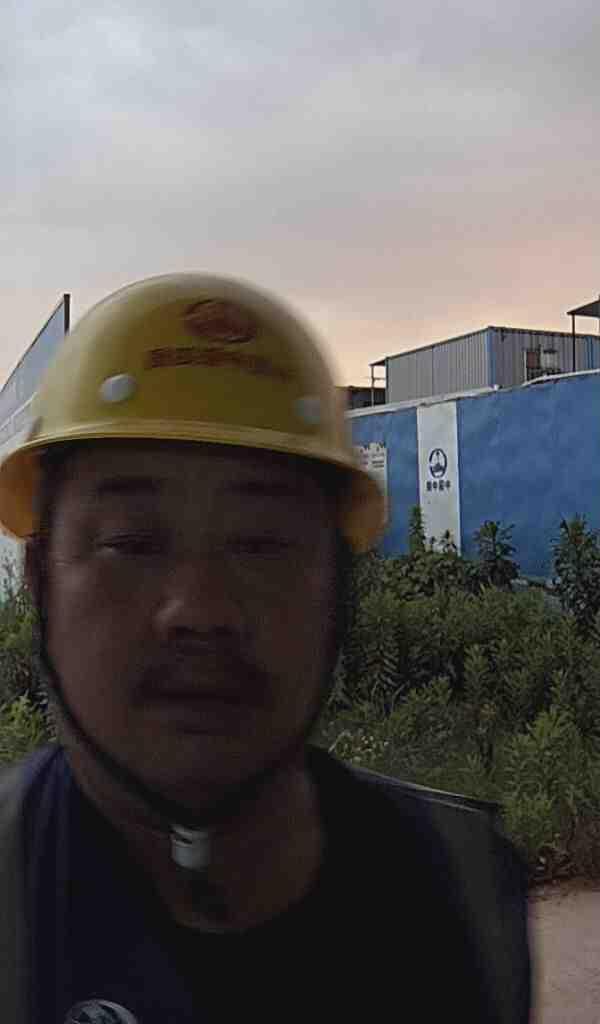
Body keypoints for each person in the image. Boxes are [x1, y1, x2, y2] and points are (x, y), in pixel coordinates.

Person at [0, 274, 530, 1024]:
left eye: (262, 544)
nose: (199, 610)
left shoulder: (464, 896)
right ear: (39, 578)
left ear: (338, 587)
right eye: (131, 542)